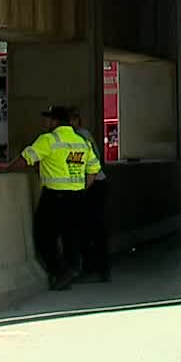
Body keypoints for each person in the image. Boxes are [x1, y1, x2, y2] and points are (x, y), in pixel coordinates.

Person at [4, 105, 101, 291]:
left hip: (55, 197)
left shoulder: (49, 140)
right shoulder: (81, 141)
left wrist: (6, 170)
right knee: (71, 235)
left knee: (44, 235)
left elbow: (26, 159)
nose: (46, 122)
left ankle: (60, 270)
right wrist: (80, 188)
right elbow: (93, 171)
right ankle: (72, 269)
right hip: (77, 196)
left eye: (48, 118)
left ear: (54, 121)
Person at [69, 109, 111, 284]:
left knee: (94, 227)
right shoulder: (74, 137)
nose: (71, 123)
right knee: (86, 229)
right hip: (88, 184)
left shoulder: (81, 136)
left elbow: (93, 164)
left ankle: (100, 268)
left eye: (73, 119)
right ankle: (92, 266)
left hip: (92, 184)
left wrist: (84, 189)